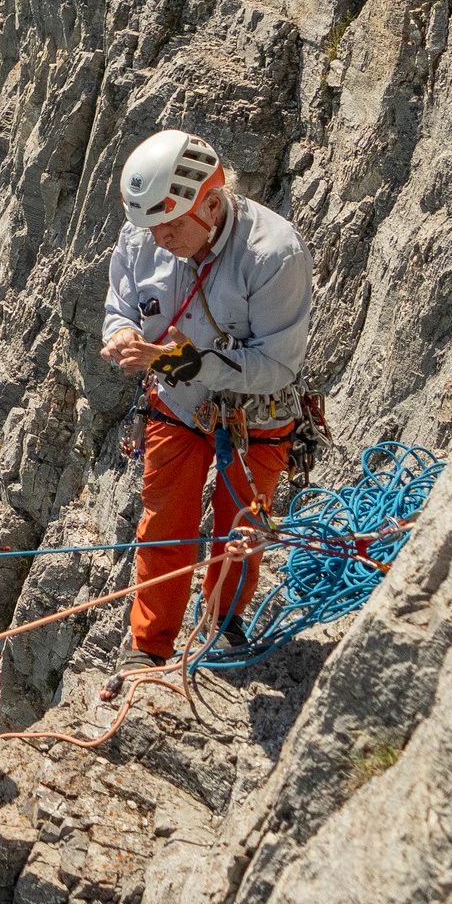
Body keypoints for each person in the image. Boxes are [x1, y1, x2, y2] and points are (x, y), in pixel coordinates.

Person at [100, 128, 313, 662]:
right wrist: (121, 334)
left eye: (169, 226)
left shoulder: (273, 254)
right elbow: (121, 303)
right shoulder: (143, 237)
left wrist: (189, 361)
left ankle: (225, 622)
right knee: (164, 519)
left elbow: (276, 364)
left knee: (241, 522)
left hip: (256, 412)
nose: (157, 241)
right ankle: (149, 646)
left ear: (211, 204)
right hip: (177, 403)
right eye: (150, 227)